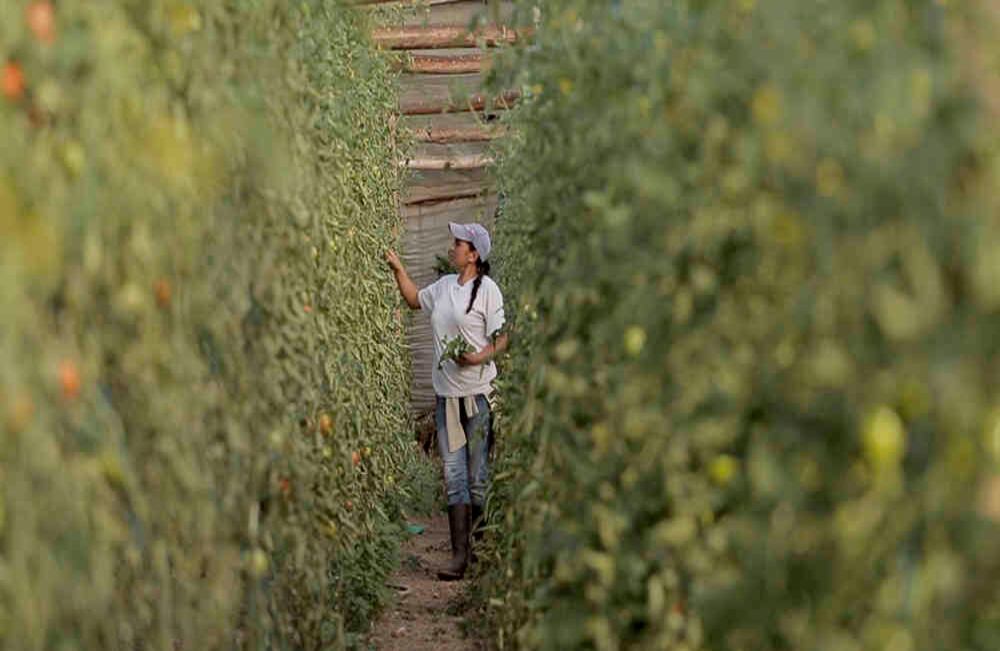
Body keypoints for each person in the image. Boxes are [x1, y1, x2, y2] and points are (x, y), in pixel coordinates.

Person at [386, 222, 509, 580]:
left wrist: (477, 357)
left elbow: (501, 338)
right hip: (447, 400)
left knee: (479, 476)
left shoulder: (488, 290)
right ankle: (459, 559)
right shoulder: (441, 288)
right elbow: (412, 300)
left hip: (479, 397)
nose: (453, 247)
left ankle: (482, 556)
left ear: (474, 255)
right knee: (455, 477)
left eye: (459, 243)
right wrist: (399, 270)